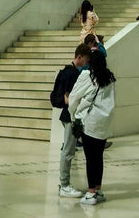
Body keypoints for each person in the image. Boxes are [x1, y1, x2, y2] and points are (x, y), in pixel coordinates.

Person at [69, 50, 116, 205]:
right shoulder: (110, 78)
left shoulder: (88, 77)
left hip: (90, 122)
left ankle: (90, 194)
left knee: (90, 159)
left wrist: (73, 114)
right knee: (99, 158)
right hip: (104, 123)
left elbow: (74, 97)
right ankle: (98, 190)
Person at [53, 43, 91, 198]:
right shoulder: (72, 74)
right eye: (86, 59)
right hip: (71, 116)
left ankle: (65, 183)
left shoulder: (67, 72)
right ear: (80, 56)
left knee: (68, 150)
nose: (87, 63)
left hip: (68, 116)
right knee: (68, 151)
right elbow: (68, 97)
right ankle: (64, 184)